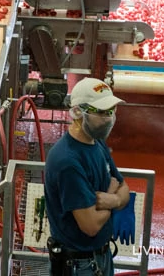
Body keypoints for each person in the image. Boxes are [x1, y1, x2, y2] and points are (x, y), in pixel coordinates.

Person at [44, 78, 132, 276]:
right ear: (77, 112)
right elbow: (90, 225)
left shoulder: (97, 143)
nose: (109, 118)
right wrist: (113, 196)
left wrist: (112, 198)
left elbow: (123, 188)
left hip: (101, 256)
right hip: (79, 265)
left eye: (111, 111)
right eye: (101, 112)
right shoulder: (68, 161)